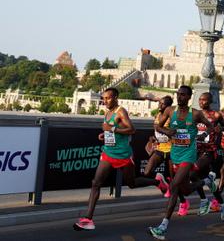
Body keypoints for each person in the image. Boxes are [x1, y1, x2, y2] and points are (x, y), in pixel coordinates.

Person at [74, 88, 164, 231]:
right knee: (96, 183)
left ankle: (157, 181)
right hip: (108, 153)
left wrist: (112, 130)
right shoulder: (107, 111)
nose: (105, 101)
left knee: (132, 183)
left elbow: (132, 129)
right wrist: (104, 135)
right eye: (103, 98)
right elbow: (111, 129)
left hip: (123, 155)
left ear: (115, 97)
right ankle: (88, 219)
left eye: (108, 98)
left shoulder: (121, 111)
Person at [148, 85, 215, 240]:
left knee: (174, 186)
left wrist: (202, 135)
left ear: (189, 97)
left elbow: (211, 126)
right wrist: (167, 131)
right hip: (175, 154)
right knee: (184, 190)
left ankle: (163, 227)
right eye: (178, 94)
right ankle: (207, 180)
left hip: (188, 155)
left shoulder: (196, 114)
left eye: (183, 95)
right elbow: (158, 126)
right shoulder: (170, 111)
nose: (180, 97)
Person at [195, 92, 224, 215]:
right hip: (196, 149)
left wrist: (220, 129)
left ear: (210, 101)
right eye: (200, 99)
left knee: (194, 172)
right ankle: (223, 203)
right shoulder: (195, 114)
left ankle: (204, 200)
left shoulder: (216, 114)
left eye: (204, 100)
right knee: (200, 178)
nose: (201, 102)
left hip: (209, 150)